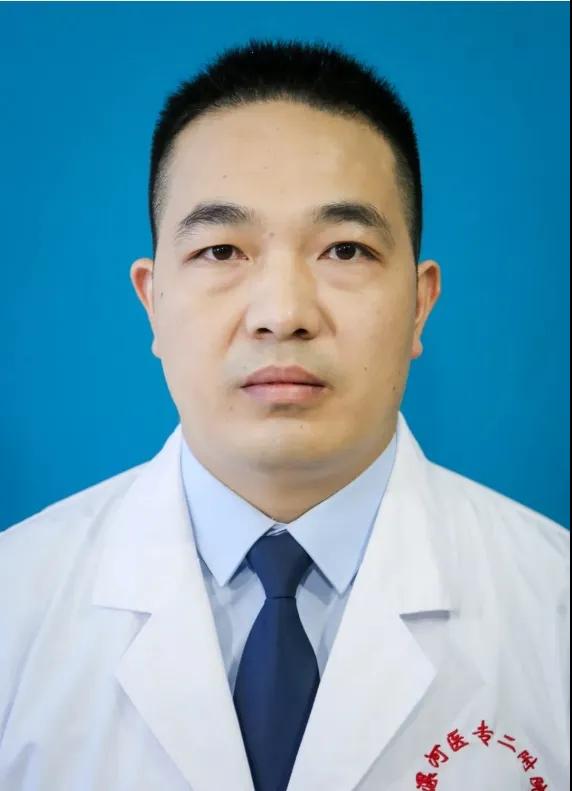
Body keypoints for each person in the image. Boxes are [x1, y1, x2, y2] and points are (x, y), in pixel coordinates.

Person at [0, 38, 568, 791]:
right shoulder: (15, 603)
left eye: (345, 250)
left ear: (420, 302)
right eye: (221, 251)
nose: (282, 313)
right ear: (152, 301)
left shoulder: (553, 608)